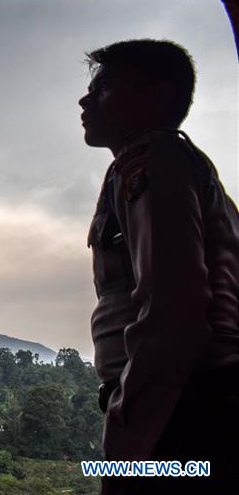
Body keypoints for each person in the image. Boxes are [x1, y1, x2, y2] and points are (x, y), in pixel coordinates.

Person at [79, 39, 239, 494]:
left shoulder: (153, 160)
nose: (86, 99)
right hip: (188, 405)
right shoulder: (176, 165)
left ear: (159, 95)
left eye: (105, 86)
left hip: (180, 414)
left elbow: (175, 307)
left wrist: (128, 427)